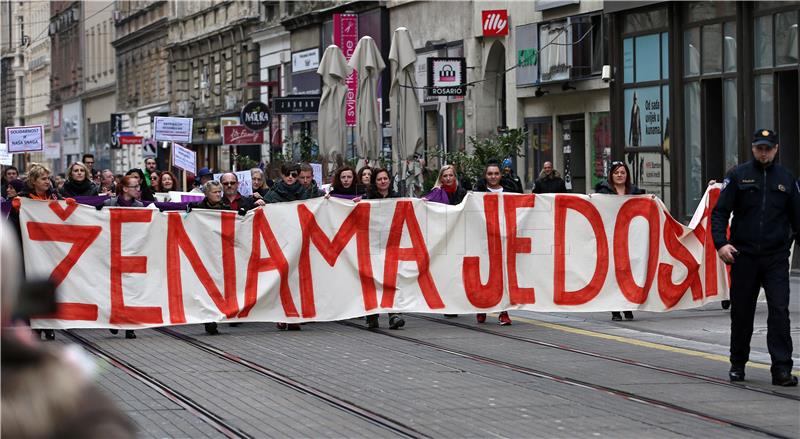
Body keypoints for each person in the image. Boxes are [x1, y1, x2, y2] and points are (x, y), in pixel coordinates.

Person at [711, 129, 799, 387]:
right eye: (759, 148)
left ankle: (781, 369)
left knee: (780, 312)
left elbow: (798, 219)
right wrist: (721, 244)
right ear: (752, 148)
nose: (763, 152)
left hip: (776, 257)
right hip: (744, 256)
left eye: (768, 148)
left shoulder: (786, 178)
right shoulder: (738, 176)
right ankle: (738, 364)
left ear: (776, 149)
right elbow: (719, 214)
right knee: (742, 313)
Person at [595, 161, 644, 321]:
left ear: (627, 175)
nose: (620, 175)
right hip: (610, 238)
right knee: (613, 275)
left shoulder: (635, 191)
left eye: (622, 172)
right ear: (611, 175)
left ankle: (628, 306)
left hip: (630, 238)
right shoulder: (603, 191)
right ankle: (615, 309)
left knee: (629, 273)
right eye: (616, 173)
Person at [100, 175, 144, 340]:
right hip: (112, 252)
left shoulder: (140, 206)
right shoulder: (108, 204)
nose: (138, 190)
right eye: (135, 187)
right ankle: (114, 320)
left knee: (130, 290)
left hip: (131, 254)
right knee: (113, 289)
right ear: (125, 189)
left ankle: (129, 326)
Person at [187, 180, 233, 335]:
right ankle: (209, 319)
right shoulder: (198, 209)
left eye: (220, 192)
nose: (219, 194)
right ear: (207, 194)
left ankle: (217, 315)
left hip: (220, 254)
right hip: (204, 253)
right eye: (215, 192)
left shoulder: (227, 209)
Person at [362, 168, 405, 330]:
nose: (383, 182)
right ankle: (372, 314)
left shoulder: (397, 198)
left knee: (392, 279)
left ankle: (394, 314)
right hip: (372, 245)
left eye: (385, 178)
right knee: (372, 280)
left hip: (392, 245)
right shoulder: (367, 199)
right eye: (379, 179)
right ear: (375, 182)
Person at [475, 163, 514, 326]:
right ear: (485, 175)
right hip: (485, 240)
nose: (493, 176)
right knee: (485, 275)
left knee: (504, 276)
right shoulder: (477, 195)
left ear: (500, 175)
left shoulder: (510, 193)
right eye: (490, 173)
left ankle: (504, 312)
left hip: (505, 239)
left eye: (496, 173)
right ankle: (482, 307)